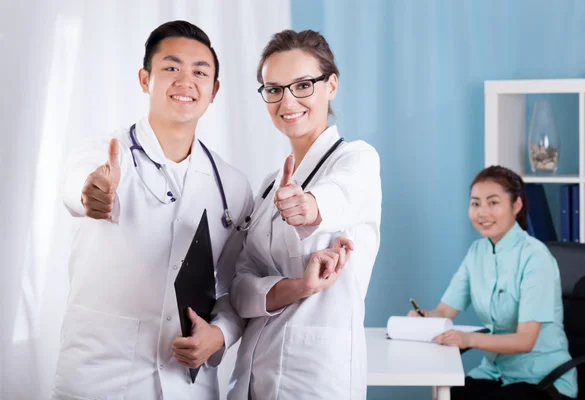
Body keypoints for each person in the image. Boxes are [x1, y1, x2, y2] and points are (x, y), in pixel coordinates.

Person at [52, 20, 254, 400]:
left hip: (187, 382)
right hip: (100, 377)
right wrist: (89, 193)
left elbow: (236, 284)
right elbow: (77, 185)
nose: (186, 81)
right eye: (171, 68)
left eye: (200, 72)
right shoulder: (103, 153)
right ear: (145, 79)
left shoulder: (232, 185)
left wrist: (221, 334)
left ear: (214, 90)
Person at [227, 29, 382, 399]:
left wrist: (309, 206)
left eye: (302, 85)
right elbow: (241, 287)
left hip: (314, 378)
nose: (287, 100)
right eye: (274, 89)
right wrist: (296, 288)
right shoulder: (269, 188)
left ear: (331, 85)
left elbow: (338, 195)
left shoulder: (357, 158)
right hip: (253, 374)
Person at [409, 166, 577, 400]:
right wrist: (425, 319)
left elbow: (525, 340)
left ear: (516, 206)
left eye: (493, 202)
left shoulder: (536, 257)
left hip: (542, 378)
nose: (482, 212)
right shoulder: (477, 252)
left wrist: (468, 339)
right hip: (495, 372)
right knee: (449, 395)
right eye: (476, 203)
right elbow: (445, 310)